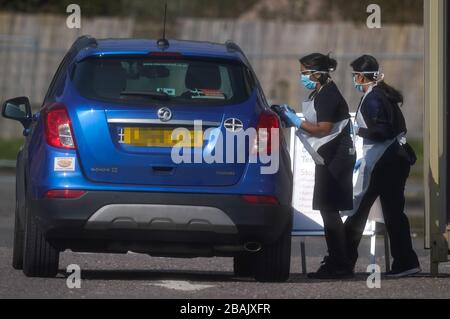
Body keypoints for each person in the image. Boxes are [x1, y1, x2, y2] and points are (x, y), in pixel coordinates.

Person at [279, 53, 356, 279]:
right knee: (327, 209)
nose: (302, 77)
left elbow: (322, 128)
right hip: (328, 157)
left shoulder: (329, 95)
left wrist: (296, 121)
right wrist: (292, 116)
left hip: (337, 158)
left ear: (317, 73)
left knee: (330, 210)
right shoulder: (319, 92)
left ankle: (339, 264)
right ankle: (338, 260)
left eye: (304, 73)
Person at [343, 55, 421, 278]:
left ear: (362, 76)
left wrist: (356, 130)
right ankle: (406, 262)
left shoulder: (374, 99)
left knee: (358, 211)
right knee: (394, 214)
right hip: (394, 162)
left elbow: (382, 132)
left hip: (382, 164)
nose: (354, 80)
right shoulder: (383, 95)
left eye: (355, 75)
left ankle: (342, 261)